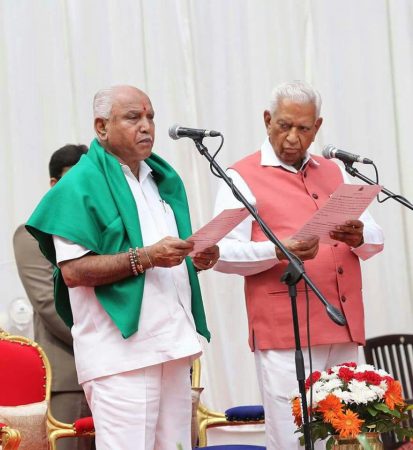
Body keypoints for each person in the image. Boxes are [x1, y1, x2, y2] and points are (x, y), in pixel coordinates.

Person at [26, 85, 219, 450]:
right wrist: (147, 257)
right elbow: (73, 271)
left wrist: (193, 258)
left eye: (150, 117)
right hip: (121, 357)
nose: (146, 126)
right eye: (133, 117)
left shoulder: (160, 179)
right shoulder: (79, 185)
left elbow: (163, 256)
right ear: (101, 127)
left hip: (173, 346)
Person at [213, 80, 384, 450]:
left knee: (345, 436)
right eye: (284, 125)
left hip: (342, 322)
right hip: (285, 330)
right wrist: (278, 251)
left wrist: (358, 236)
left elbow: (375, 237)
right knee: (295, 439)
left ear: (317, 127)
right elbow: (221, 253)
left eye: (304, 128)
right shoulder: (240, 175)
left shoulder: (335, 170)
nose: (293, 137)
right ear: (267, 119)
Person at [13, 144, 94, 450]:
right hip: (70, 379)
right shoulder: (31, 234)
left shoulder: (100, 231)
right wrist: (103, 338)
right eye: (74, 179)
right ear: (54, 184)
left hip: (114, 372)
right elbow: (48, 304)